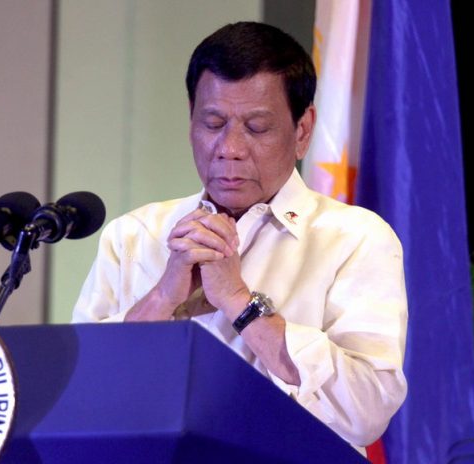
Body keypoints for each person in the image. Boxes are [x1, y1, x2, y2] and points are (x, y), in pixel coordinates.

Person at [72, 21, 407, 449]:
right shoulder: (134, 235)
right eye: (212, 123)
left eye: (256, 128)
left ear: (302, 131)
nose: (229, 147)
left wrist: (239, 302)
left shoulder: (355, 239)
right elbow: (83, 396)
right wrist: (162, 300)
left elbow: (366, 411)